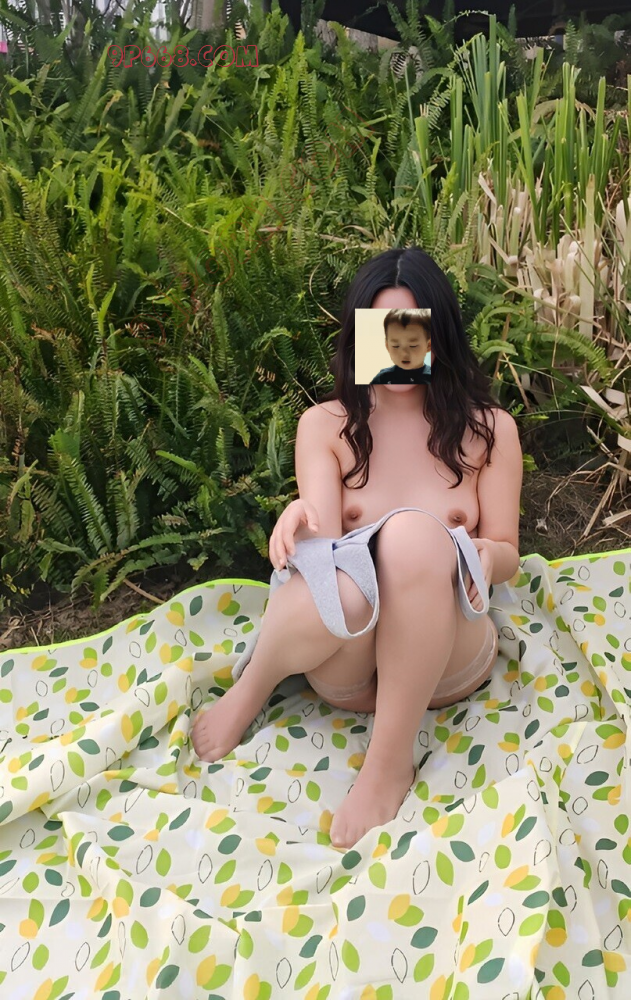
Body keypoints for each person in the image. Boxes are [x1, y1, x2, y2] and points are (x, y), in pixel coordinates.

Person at [192, 246, 523, 850]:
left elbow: (508, 550)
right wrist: (298, 519)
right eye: (382, 330)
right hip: (347, 653)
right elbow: (323, 549)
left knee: (413, 535)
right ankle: (255, 683)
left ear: (439, 332)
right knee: (340, 580)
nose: (399, 346)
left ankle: (387, 764)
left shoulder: (489, 429)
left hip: (444, 653)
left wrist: (482, 557)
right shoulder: (326, 425)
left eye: (411, 328)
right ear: (359, 335)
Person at [369, 308, 432, 384]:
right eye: (395, 346)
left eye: (413, 346)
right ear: (387, 346)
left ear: (428, 345)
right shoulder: (383, 378)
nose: (404, 353)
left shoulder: (436, 377)